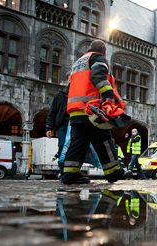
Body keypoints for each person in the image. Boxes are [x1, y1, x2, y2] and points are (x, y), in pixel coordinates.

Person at [61, 40, 129, 184]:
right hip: (91, 109)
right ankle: (113, 172)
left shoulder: (78, 63)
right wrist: (108, 95)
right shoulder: (97, 58)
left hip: (75, 111)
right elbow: (98, 75)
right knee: (104, 140)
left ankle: (69, 174)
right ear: (103, 51)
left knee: (78, 143)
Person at [46, 73, 70, 174]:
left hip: (75, 123)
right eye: (70, 78)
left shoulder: (79, 93)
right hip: (63, 124)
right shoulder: (59, 95)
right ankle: (62, 169)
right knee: (62, 145)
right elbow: (52, 112)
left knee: (74, 147)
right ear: (67, 80)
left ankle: (72, 170)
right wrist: (49, 128)